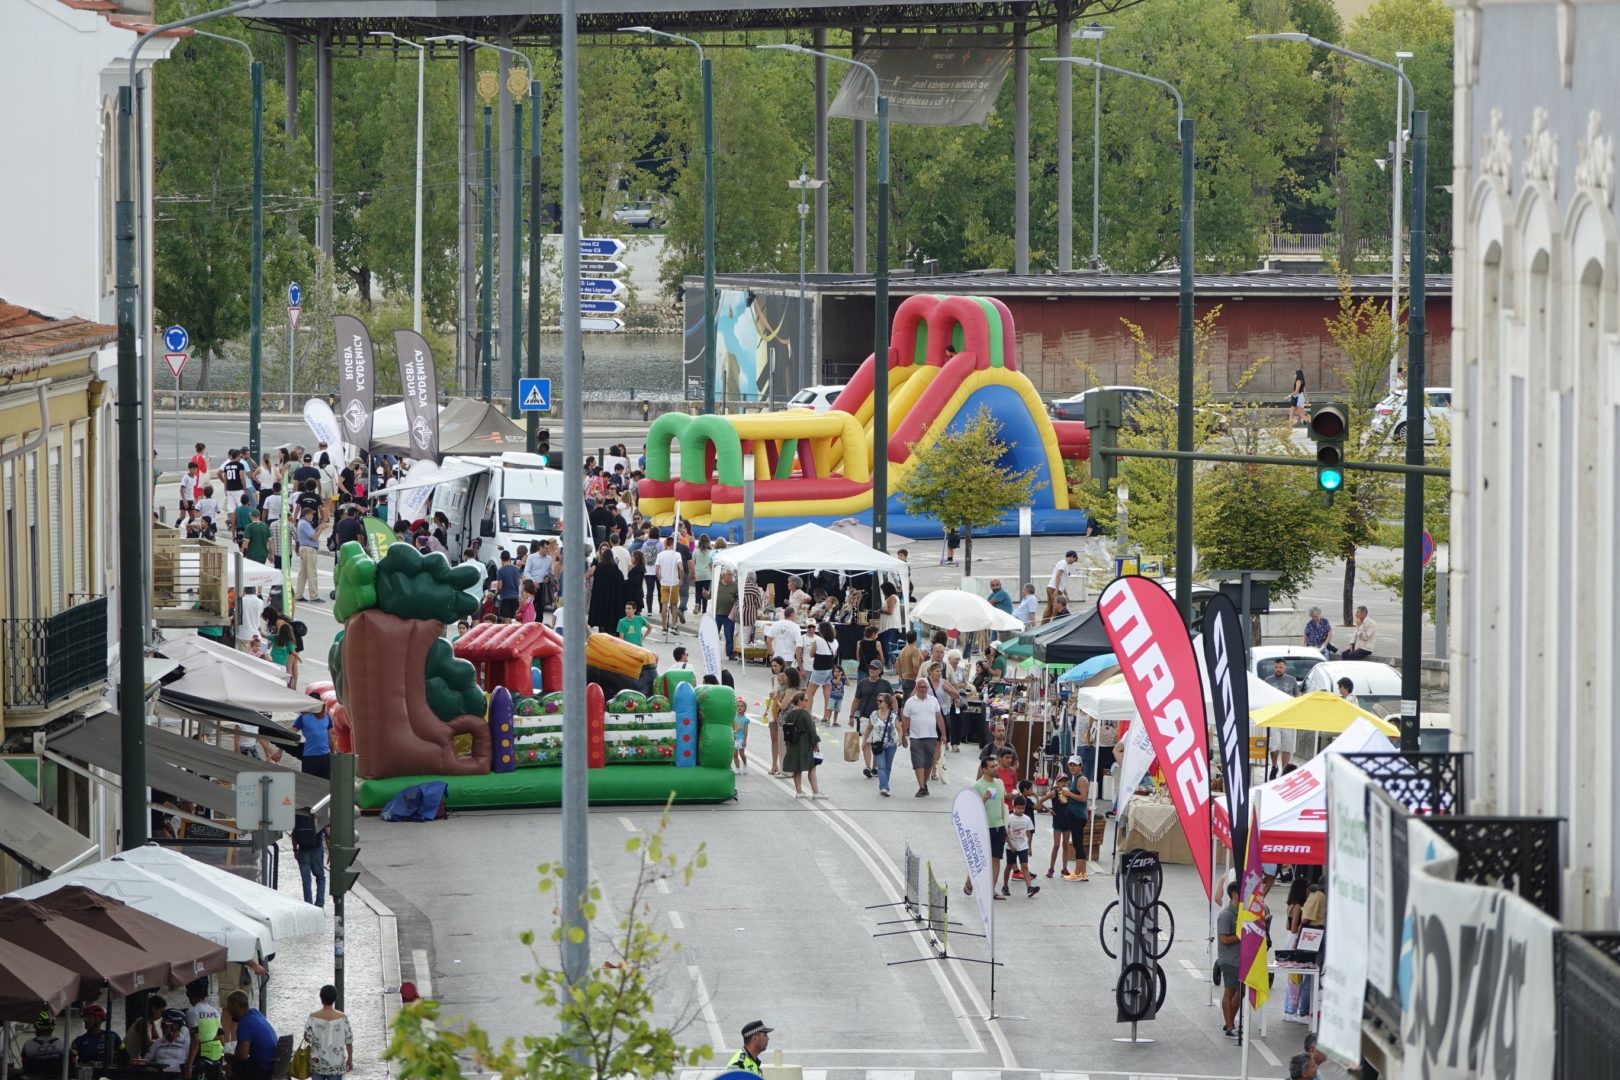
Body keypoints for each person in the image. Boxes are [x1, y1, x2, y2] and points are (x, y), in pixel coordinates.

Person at [900, 677, 944, 797]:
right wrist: (903, 736)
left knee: (929, 763)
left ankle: (924, 785)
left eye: (925, 687)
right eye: (921, 687)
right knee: (918, 763)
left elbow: (939, 717)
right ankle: (921, 786)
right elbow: (905, 720)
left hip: (931, 736)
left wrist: (944, 734)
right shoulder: (910, 702)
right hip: (916, 737)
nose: (923, 690)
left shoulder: (934, 701)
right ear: (917, 688)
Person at [779, 690, 823, 799]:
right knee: (812, 767)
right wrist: (816, 743)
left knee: (796, 769)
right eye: (806, 700)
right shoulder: (805, 714)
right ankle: (816, 792)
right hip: (804, 744)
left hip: (793, 744)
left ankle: (799, 792)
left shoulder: (789, 714)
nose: (807, 702)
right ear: (799, 701)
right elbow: (811, 730)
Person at [303, 985, 353, 1080]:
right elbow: (349, 1041)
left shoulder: (313, 1017)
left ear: (321, 998)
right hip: (336, 1064)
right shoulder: (343, 1018)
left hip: (317, 1063)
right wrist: (350, 1059)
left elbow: (308, 1039)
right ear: (335, 998)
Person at [225, 990, 277, 1080]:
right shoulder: (256, 1014)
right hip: (273, 1063)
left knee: (229, 1069)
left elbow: (242, 1055)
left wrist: (232, 1060)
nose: (227, 1008)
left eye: (228, 1005)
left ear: (236, 1004)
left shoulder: (245, 1023)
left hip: (263, 1068)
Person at [1263, 658, 1299, 777]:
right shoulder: (1267, 681)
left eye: (1280, 667)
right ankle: (1274, 766)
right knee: (1275, 745)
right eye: (1276, 667)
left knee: (1287, 746)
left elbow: (1297, 697)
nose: (1278, 669)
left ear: (1285, 668)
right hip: (1274, 717)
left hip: (1289, 718)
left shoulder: (1292, 680)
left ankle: (1284, 771)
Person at [184, 978, 225, 1080]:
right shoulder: (214, 1011)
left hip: (199, 1060)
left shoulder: (192, 1012)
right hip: (215, 1060)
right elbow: (222, 1039)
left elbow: (195, 1041)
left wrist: (188, 1066)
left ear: (189, 994)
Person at [1058, 755, 1091, 881]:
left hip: (1078, 816)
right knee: (1078, 844)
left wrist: (1068, 794)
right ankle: (1082, 873)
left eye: (1075, 765)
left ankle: (1078, 872)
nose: (1072, 767)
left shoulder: (1081, 780)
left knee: (1078, 844)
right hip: (1075, 815)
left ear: (1080, 766)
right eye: (1070, 765)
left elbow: (1083, 798)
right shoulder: (1076, 779)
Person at [1002, 795, 1041, 899]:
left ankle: (1029, 888)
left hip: (1023, 846)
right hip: (1011, 846)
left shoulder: (1027, 819)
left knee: (1025, 866)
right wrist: (1010, 845)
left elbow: (1029, 833)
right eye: (1019, 808)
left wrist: (1030, 847)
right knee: (1009, 866)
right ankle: (1005, 886)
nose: (1021, 810)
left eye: (1023, 808)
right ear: (1014, 807)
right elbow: (1005, 833)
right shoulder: (1009, 818)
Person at [1218, 881, 1243, 1037]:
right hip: (1230, 960)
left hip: (1240, 959)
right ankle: (1229, 1026)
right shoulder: (1227, 914)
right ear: (1235, 894)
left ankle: (1230, 1022)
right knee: (1230, 991)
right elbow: (1224, 939)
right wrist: (1242, 935)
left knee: (1239, 992)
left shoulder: (1240, 913)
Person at [70, 1003, 123, 1073]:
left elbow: (125, 1056)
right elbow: (71, 1062)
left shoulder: (113, 1037)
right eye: (84, 1017)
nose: (85, 1020)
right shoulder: (78, 1042)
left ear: (99, 1019)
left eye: (88, 1016)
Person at [291, 809, 327, 907]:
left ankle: (308, 904)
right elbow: (327, 833)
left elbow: (294, 835)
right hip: (316, 849)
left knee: (306, 881)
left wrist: (295, 850)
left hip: (302, 850)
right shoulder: (318, 813)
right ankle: (319, 903)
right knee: (320, 877)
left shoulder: (297, 815)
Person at [867, 692, 900, 796]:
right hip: (878, 744)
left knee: (888, 767)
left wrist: (900, 739)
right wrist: (865, 741)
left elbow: (899, 728)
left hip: (891, 745)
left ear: (887, 703)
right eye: (878, 700)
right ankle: (884, 788)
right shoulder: (874, 714)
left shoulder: (893, 715)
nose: (878, 702)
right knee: (881, 766)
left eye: (881, 701)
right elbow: (869, 728)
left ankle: (884, 784)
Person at [806, 621, 839, 722]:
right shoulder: (835, 642)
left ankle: (807, 714)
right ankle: (826, 717)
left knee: (810, 693)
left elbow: (811, 654)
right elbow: (834, 655)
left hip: (819, 669)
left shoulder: (818, 640)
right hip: (830, 669)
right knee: (827, 694)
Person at [653, 536, 684, 635]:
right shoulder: (677, 554)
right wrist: (681, 579)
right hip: (674, 583)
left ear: (666, 544)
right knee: (674, 605)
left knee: (664, 605)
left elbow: (657, 570)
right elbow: (681, 568)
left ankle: (664, 628)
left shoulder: (660, 555)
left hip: (664, 583)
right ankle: (674, 626)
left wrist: (660, 579)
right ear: (673, 544)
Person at [22, 1012, 66, 1079]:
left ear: (36, 1027)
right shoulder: (62, 1044)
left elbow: (26, 1069)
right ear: (52, 1028)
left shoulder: (28, 1045)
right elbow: (71, 1066)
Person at [293, 703, 332, 778]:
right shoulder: (303, 718)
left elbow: (331, 737)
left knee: (323, 785)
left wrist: (334, 753)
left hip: (323, 757)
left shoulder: (326, 716)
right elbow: (291, 733)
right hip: (311, 757)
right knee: (311, 785)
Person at [295, 507, 322, 602]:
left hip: (304, 549)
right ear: (304, 515)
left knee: (303, 573)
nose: (312, 516)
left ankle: (298, 594)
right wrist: (321, 529)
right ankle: (314, 596)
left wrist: (317, 529)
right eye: (310, 514)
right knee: (312, 573)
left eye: (312, 514)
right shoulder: (305, 524)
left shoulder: (303, 523)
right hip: (308, 549)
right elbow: (314, 537)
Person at [713, 568, 740, 659]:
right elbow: (709, 595)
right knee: (714, 633)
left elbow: (738, 598)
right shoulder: (716, 583)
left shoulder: (734, 585)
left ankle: (730, 654)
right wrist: (705, 594)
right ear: (723, 575)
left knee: (729, 634)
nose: (731, 576)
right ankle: (712, 651)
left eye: (731, 575)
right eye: (729, 574)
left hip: (729, 614)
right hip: (718, 613)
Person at [1046, 549, 1078, 619]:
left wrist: (1066, 594)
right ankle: (1054, 625)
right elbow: (1058, 576)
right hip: (1054, 588)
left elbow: (1062, 582)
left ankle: (1046, 625)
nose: (1074, 562)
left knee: (1050, 609)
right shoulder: (1063, 563)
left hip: (1053, 587)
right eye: (1074, 559)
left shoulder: (1063, 563)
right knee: (1057, 608)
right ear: (1072, 556)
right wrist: (1056, 590)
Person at [894, 630, 923, 697]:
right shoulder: (915, 650)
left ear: (906, 639)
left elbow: (896, 664)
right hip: (912, 679)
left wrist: (901, 676)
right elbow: (915, 665)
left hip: (904, 679)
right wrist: (918, 677)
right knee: (913, 701)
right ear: (916, 639)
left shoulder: (903, 650)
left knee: (905, 701)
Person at [732, 697, 751, 773]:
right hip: (734, 738)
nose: (740, 707)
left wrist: (744, 740)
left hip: (741, 738)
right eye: (738, 706)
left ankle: (745, 764)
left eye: (742, 706)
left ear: (745, 708)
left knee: (742, 754)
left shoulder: (745, 719)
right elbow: (731, 728)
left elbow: (746, 731)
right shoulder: (733, 718)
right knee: (735, 754)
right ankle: (738, 768)